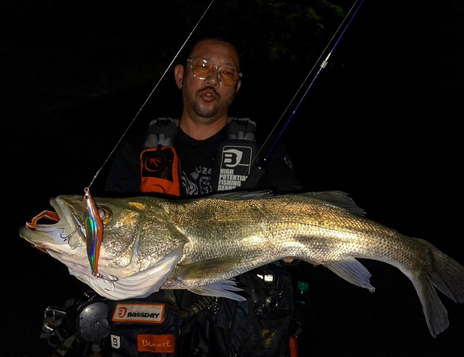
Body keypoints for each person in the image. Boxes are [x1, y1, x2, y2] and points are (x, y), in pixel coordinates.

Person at [45, 38, 303, 357]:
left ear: (237, 85)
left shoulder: (265, 150)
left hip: (240, 313)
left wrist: (298, 245)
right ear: (180, 76)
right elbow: (109, 232)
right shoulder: (138, 150)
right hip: (155, 307)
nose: (213, 79)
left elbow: (296, 207)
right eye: (203, 67)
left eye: (226, 72)